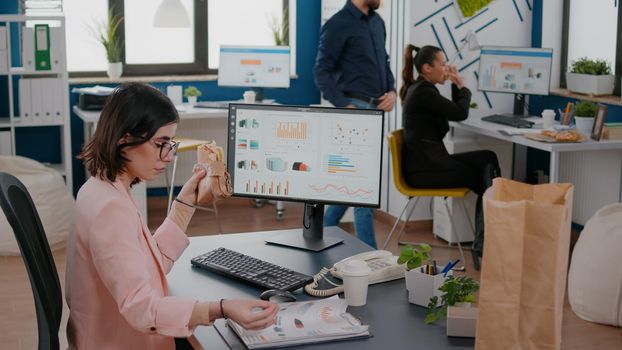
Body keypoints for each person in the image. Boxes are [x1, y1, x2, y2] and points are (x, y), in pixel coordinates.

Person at [65, 83, 278, 349]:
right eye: (160, 144)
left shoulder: (99, 188)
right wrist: (220, 309)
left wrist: (185, 202)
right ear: (124, 139)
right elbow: (142, 309)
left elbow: (144, 265)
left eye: (170, 144)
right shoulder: (111, 210)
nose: (168, 157)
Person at [399, 44, 500, 268]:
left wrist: (455, 85)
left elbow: (453, 112)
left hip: (426, 166)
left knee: (487, 160)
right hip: (426, 172)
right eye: (442, 64)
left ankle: (485, 241)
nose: (447, 68)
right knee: (486, 169)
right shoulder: (424, 92)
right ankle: (486, 242)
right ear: (427, 68)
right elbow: (460, 112)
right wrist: (461, 85)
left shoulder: (421, 89)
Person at [313, 0, 396, 248]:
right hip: (353, 111)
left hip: (375, 110)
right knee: (364, 186)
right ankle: (369, 254)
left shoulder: (377, 22)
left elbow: (385, 63)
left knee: (351, 184)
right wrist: (343, 105)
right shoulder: (338, 24)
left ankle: (316, 235)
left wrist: (392, 91)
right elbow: (321, 71)